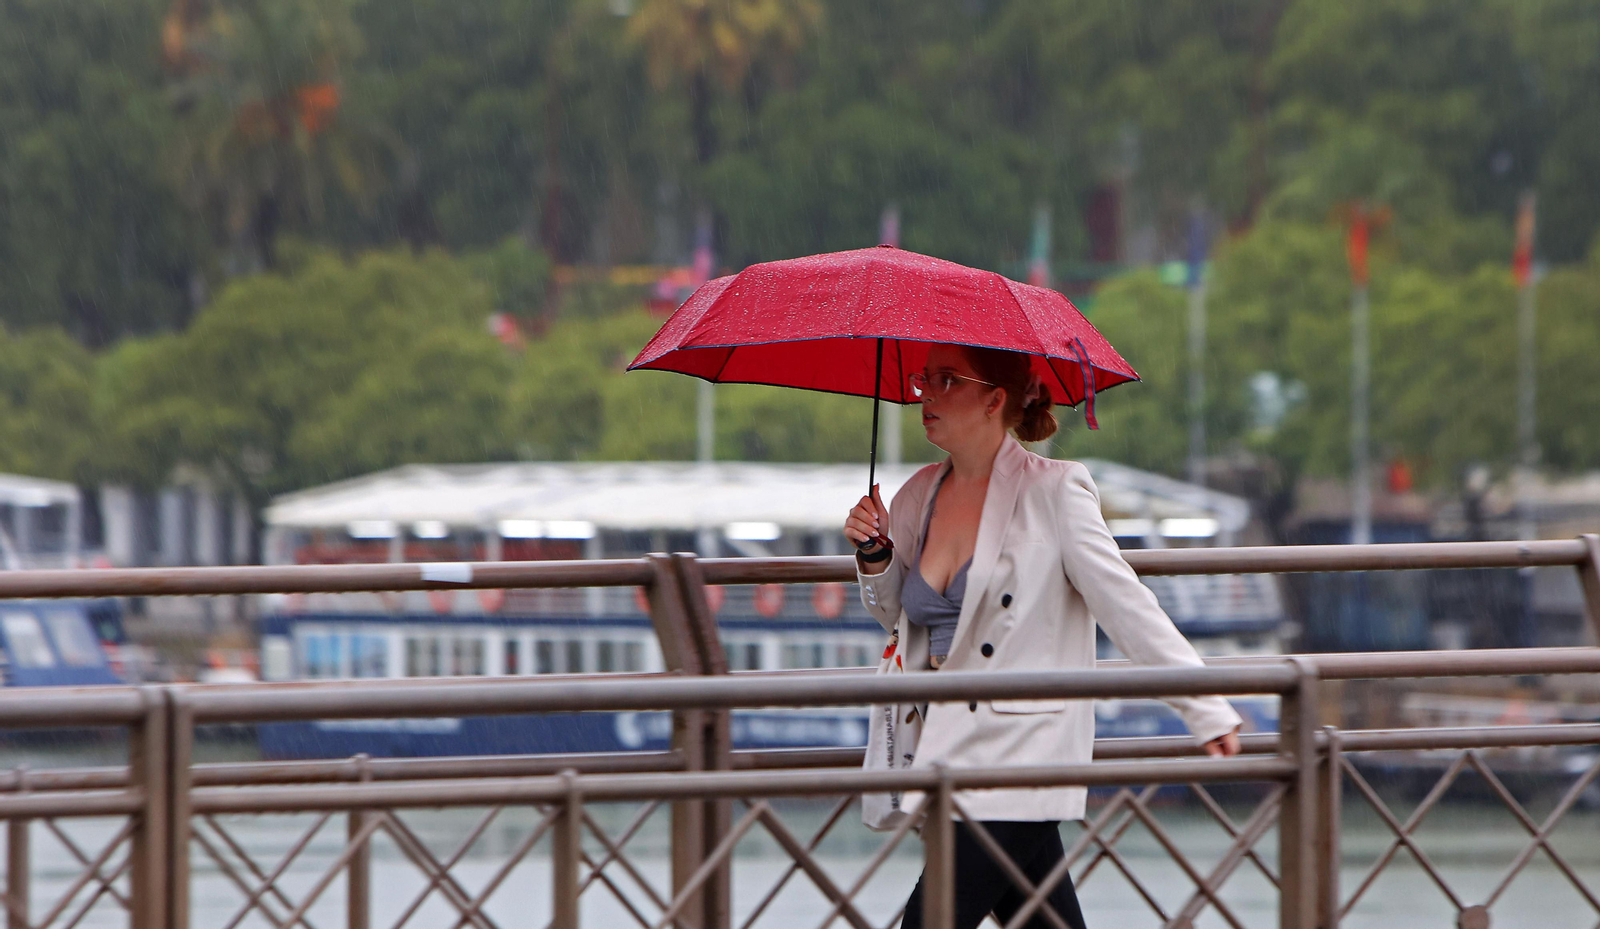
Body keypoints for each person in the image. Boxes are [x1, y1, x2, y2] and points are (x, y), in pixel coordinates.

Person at [843, 343, 1242, 929]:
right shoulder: (915, 497)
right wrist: (875, 557)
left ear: (994, 399)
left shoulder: (1055, 491)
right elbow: (900, 622)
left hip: (1020, 752)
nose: (925, 393)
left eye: (947, 379)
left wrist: (1202, 704)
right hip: (941, 745)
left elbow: (1125, 603)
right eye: (922, 379)